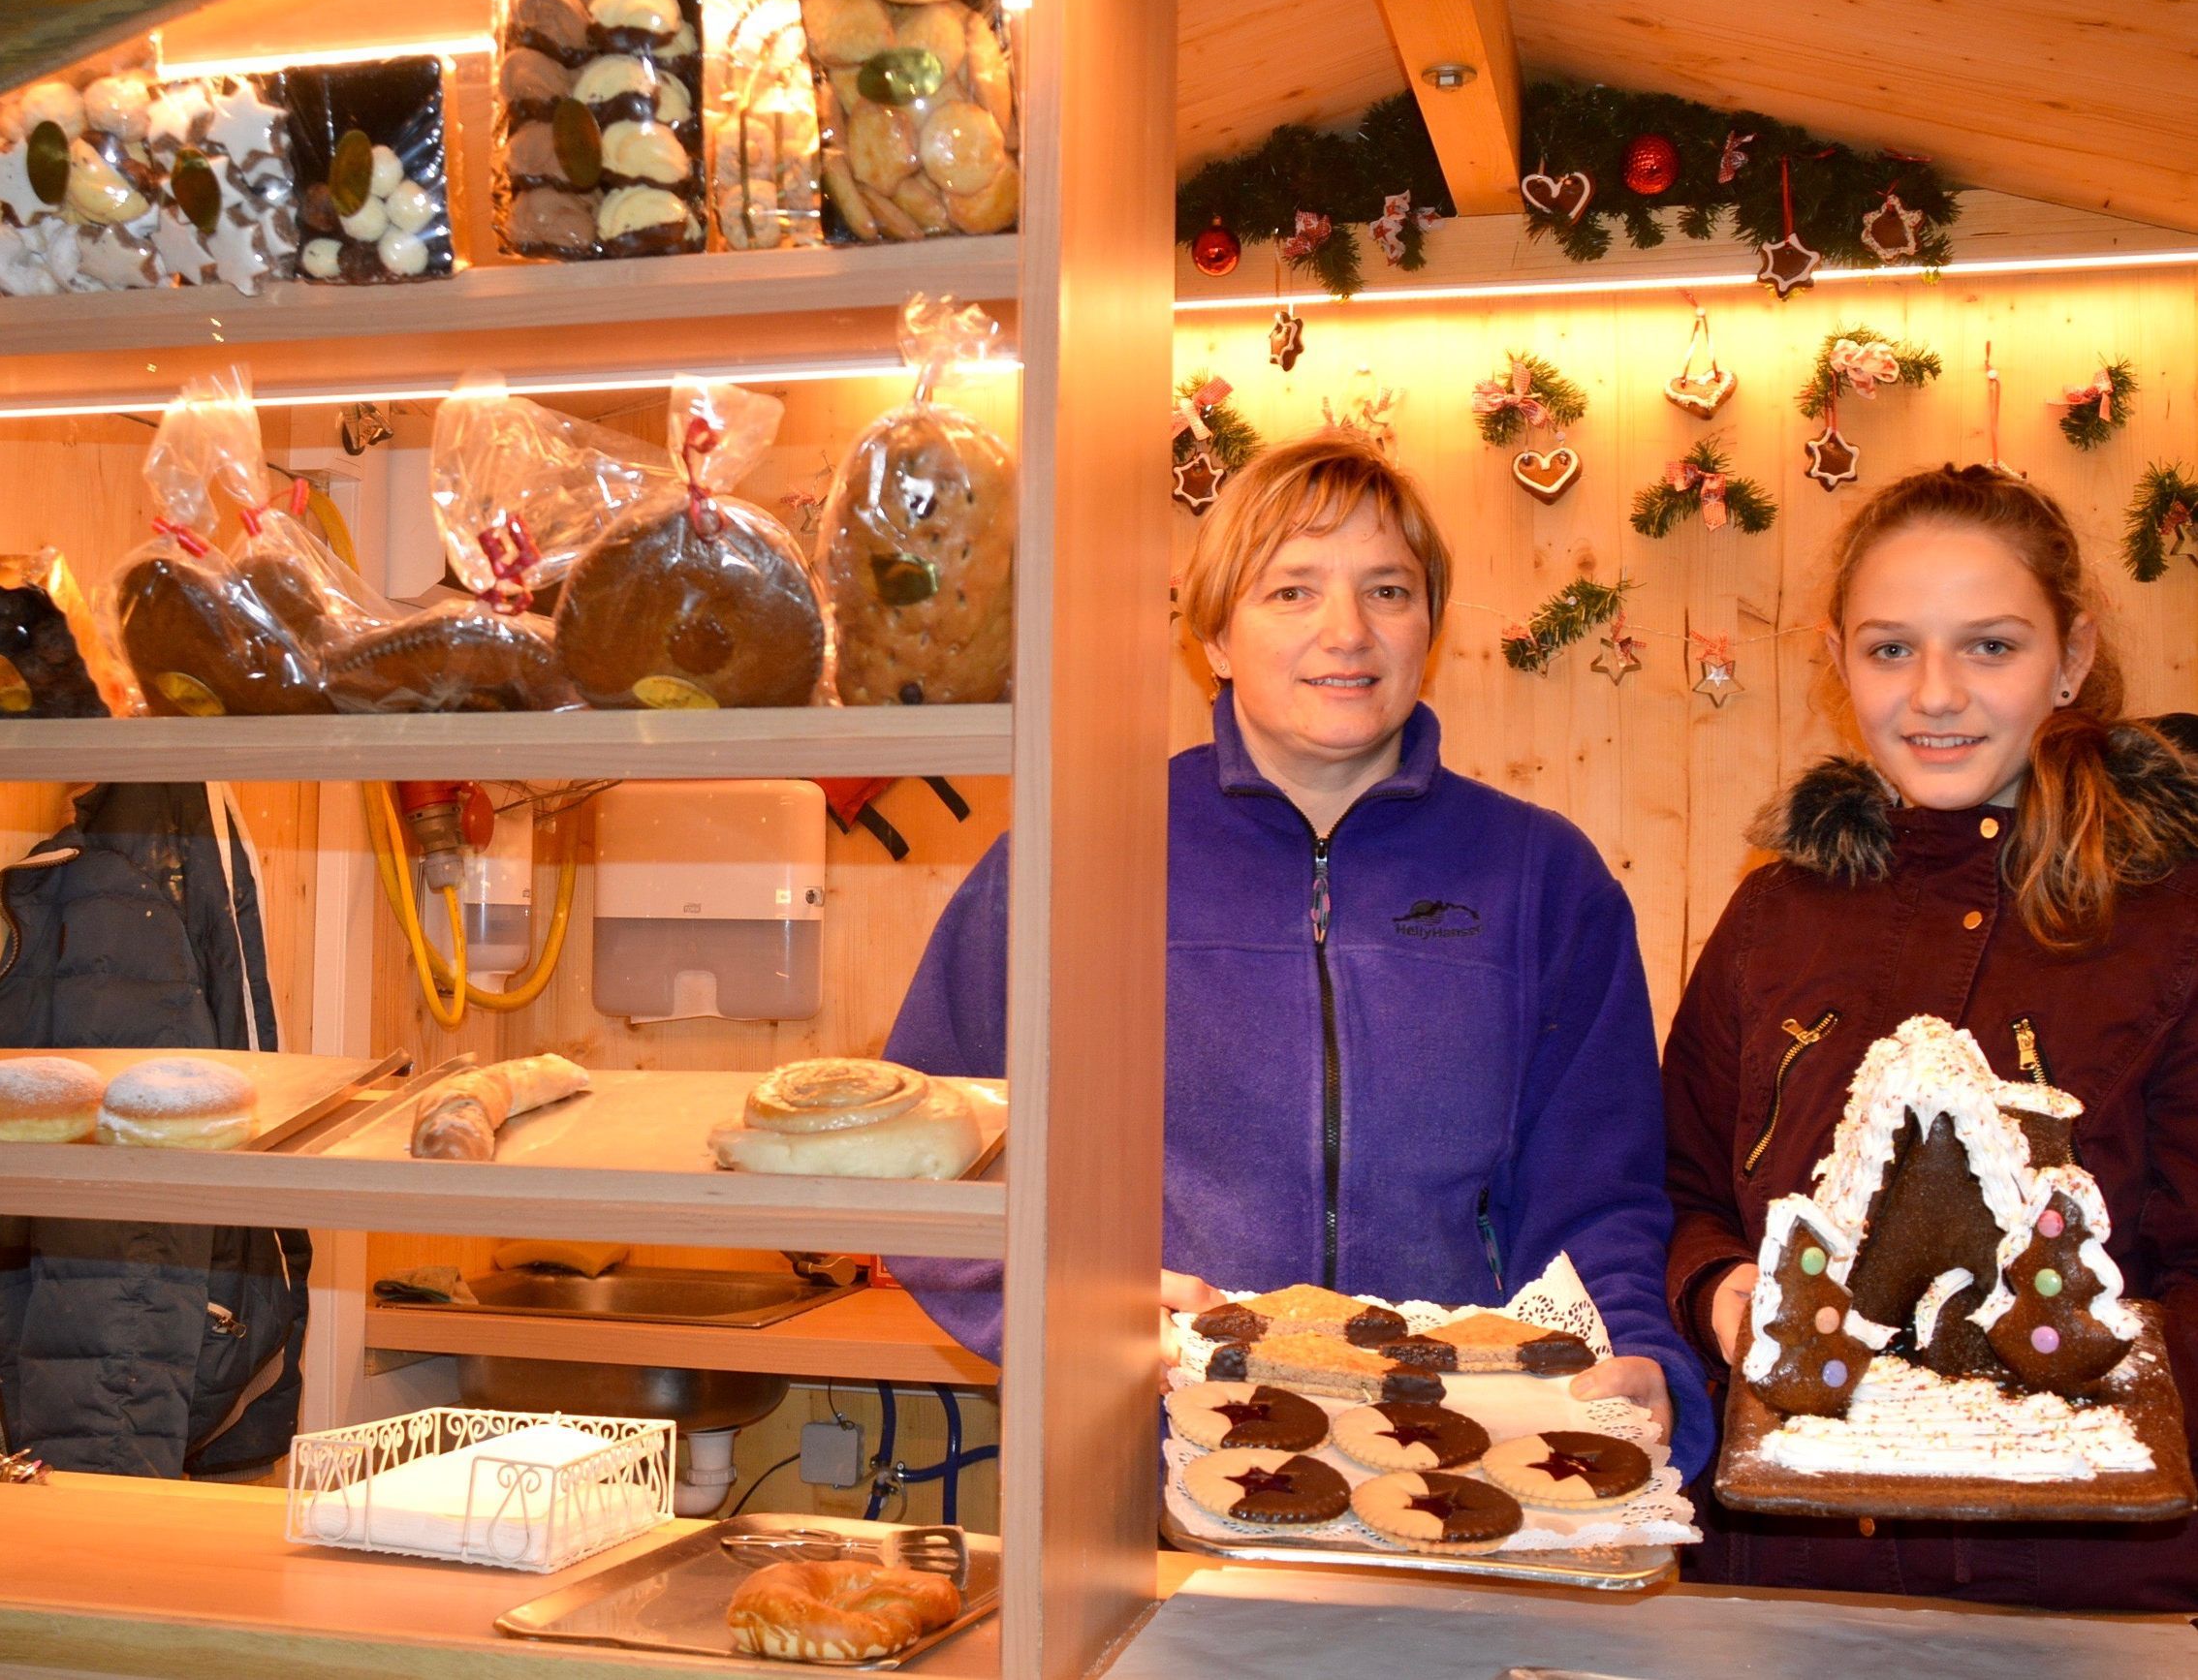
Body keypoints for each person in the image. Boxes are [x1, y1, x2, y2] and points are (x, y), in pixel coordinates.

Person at [888, 433, 1712, 1475]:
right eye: (1292, 591)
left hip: (1467, 1464)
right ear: (1217, 636)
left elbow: (1600, 1195)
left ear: (1429, 627)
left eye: (1388, 589)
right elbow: (919, 1152)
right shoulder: (1079, 855)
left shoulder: (1543, 876)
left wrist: (1638, 1355)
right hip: (1146, 1465)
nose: (1348, 631)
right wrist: (1060, 1315)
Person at [1664, 464, 2198, 1608]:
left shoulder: (2168, 917)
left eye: (1992, 646)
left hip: (2074, 1578)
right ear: (1838, 656)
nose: (1937, 693)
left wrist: (2052, 1410)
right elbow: (1679, 1181)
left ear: (2074, 656)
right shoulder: (1778, 911)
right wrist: (1717, 1287)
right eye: (1892, 648)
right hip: (1789, 1563)